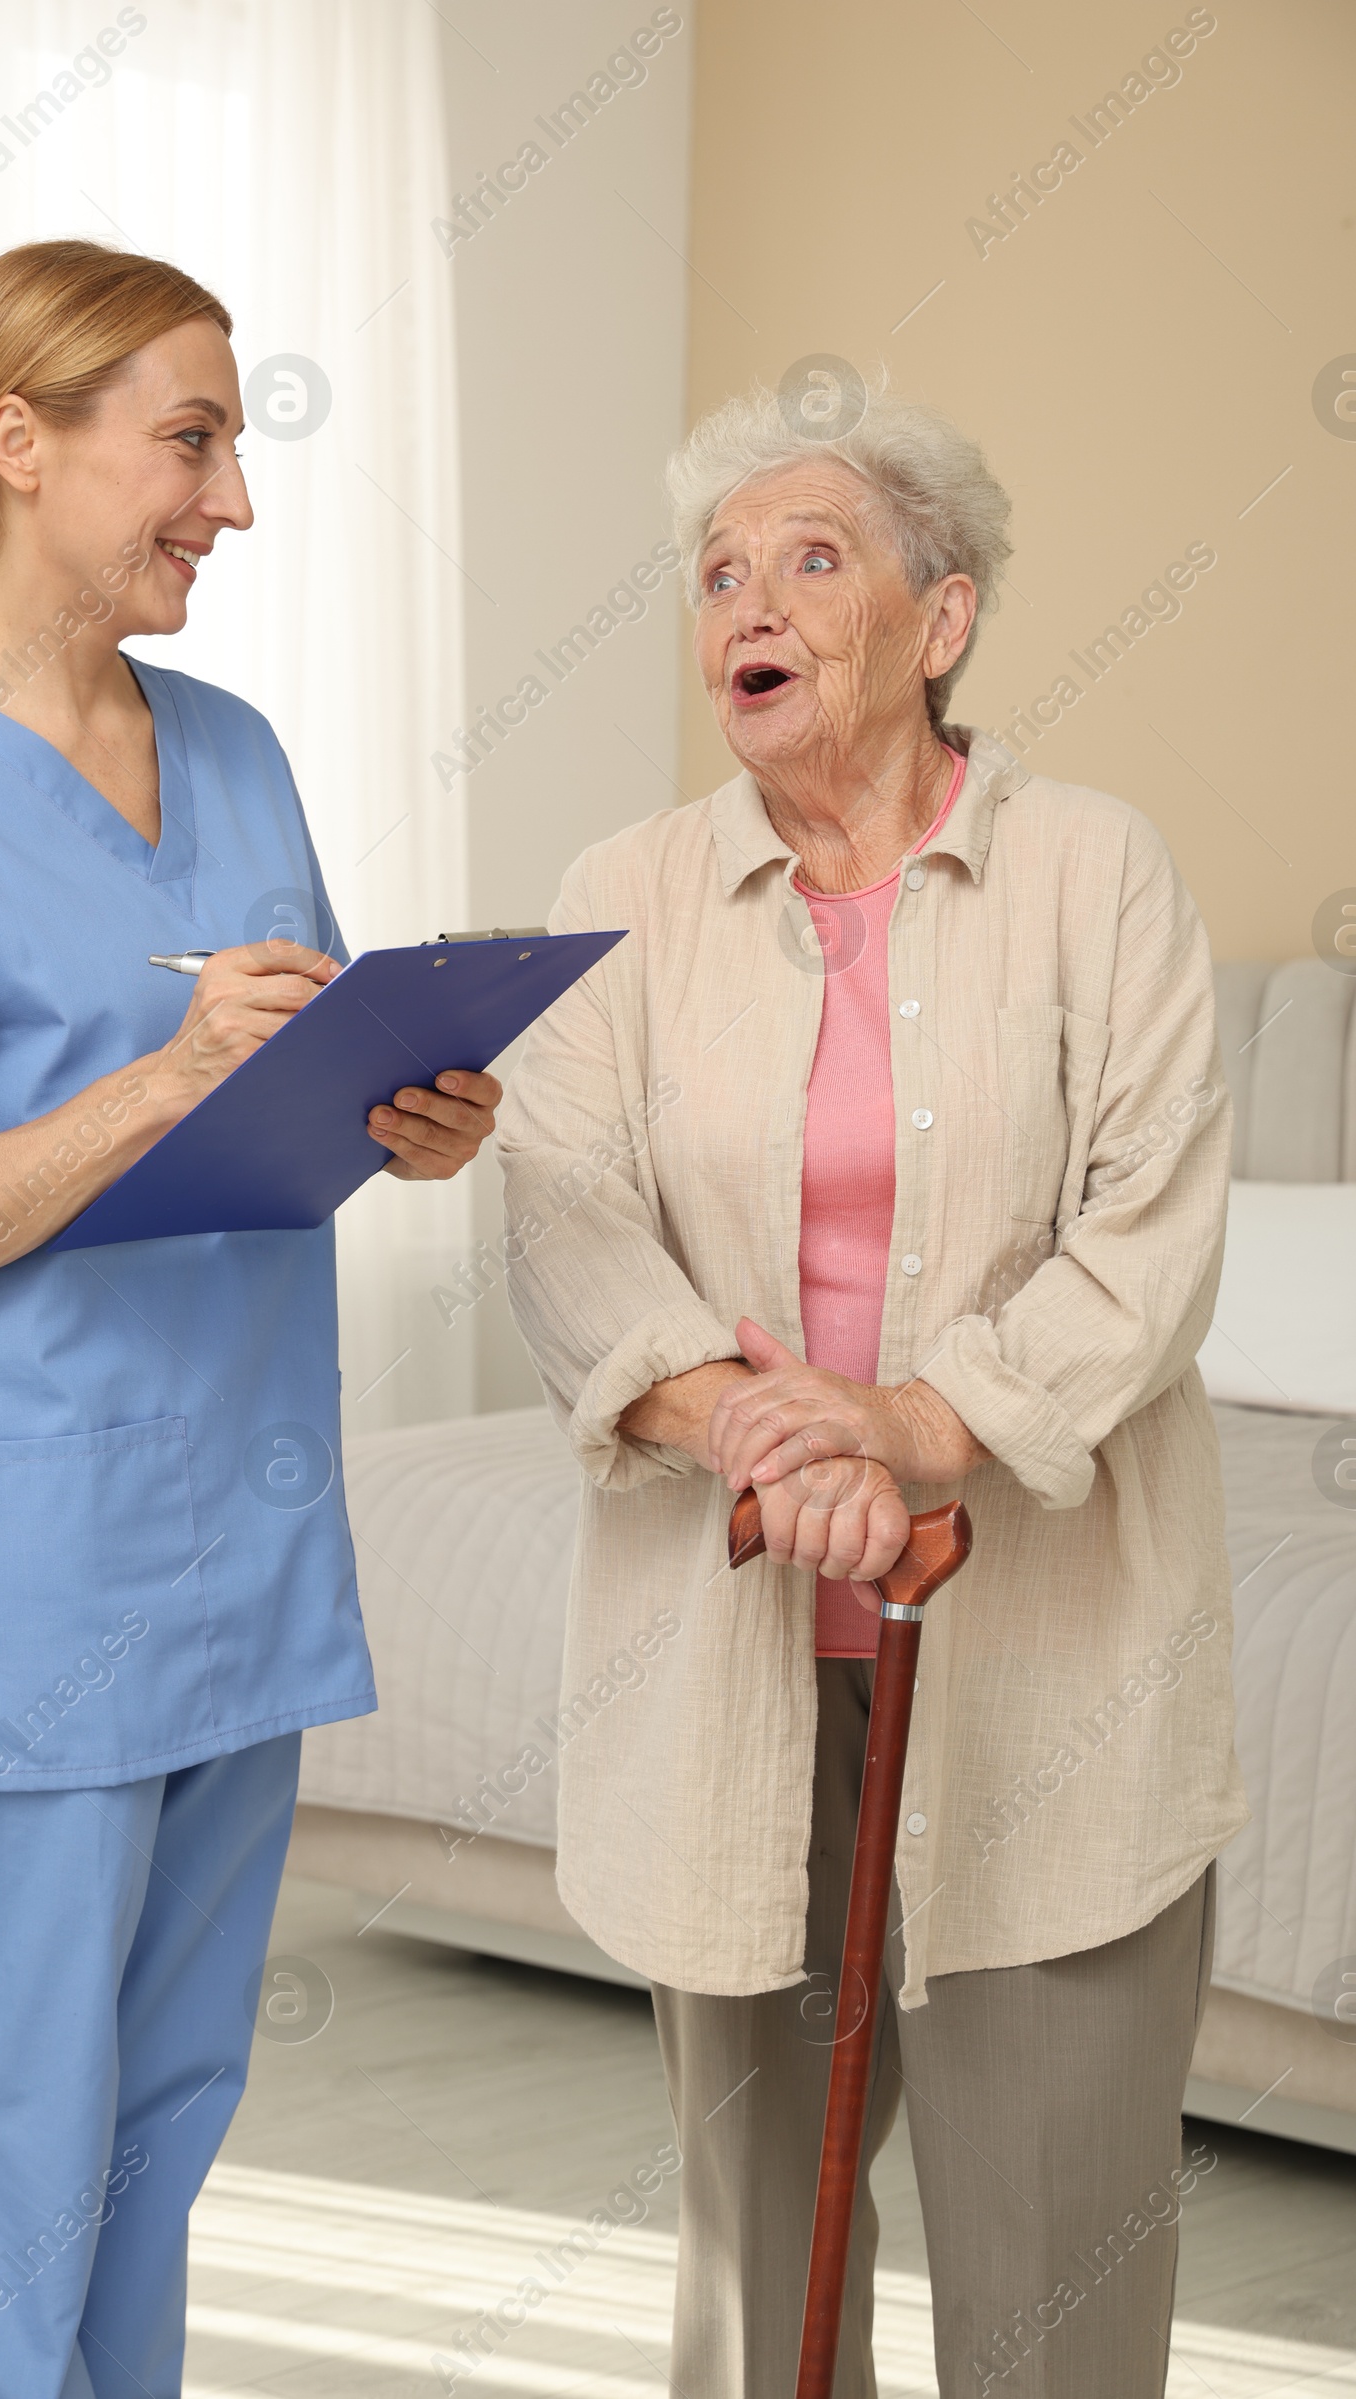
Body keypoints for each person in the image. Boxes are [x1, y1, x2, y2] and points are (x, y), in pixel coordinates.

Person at [0, 239, 500, 2399]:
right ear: (21, 440)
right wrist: (166, 1075)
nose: (233, 502)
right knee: (16, 2146)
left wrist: (407, 1110)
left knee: (163, 2129)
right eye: (191, 439)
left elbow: (282, 1111)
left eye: (234, 447)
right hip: (36, 1583)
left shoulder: (237, 753)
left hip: (242, 1545)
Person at [496, 378, 1246, 2397]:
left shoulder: (1093, 873)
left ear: (941, 619)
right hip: (725, 1641)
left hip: (1046, 1675)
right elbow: (568, 1232)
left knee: (1054, 2276)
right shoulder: (617, 895)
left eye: (807, 558)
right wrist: (759, 1425)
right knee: (757, 2289)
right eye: (715, 571)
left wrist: (912, 1427)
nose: (743, 599)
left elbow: (1149, 1235)